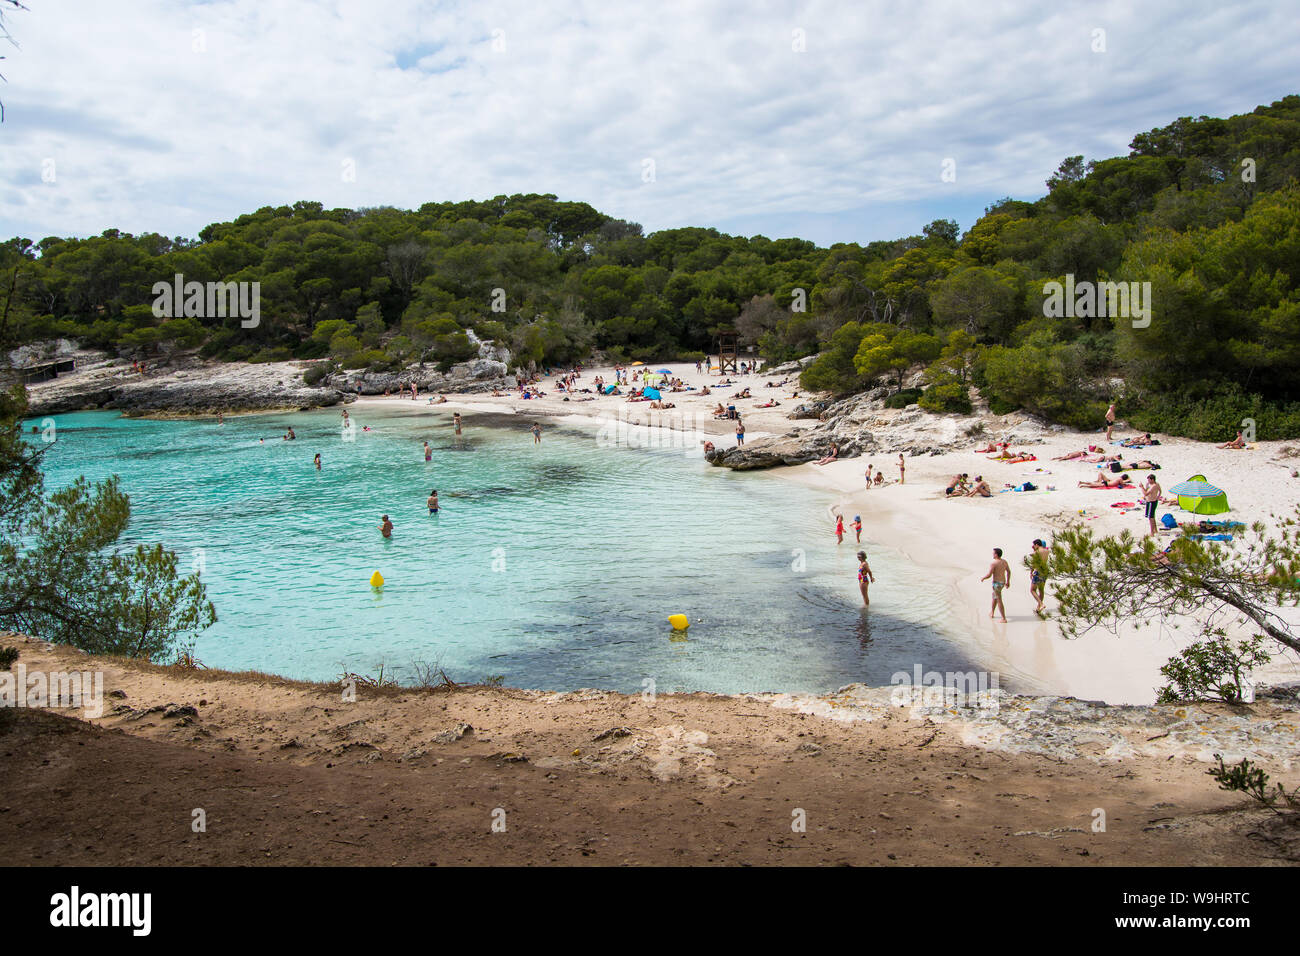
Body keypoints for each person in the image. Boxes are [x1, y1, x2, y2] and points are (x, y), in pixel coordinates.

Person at [981, 547, 1010, 622]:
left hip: (996, 584)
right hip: (1002, 583)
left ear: (996, 555)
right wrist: (1008, 581)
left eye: (993, 553)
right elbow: (1009, 571)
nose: (992, 555)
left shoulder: (994, 563)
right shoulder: (1004, 562)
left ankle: (1004, 618)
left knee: (999, 599)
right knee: (994, 597)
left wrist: (983, 578)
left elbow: (989, 575)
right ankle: (992, 612)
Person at [1029, 539, 1050, 614]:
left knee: (1032, 590)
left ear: (1037, 545)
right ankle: (1038, 608)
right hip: (1045, 571)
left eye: (1034, 545)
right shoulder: (1047, 551)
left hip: (1038, 571)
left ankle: (1041, 604)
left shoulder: (1037, 552)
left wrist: (1031, 572)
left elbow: (1034, 563)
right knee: (1041, 590)